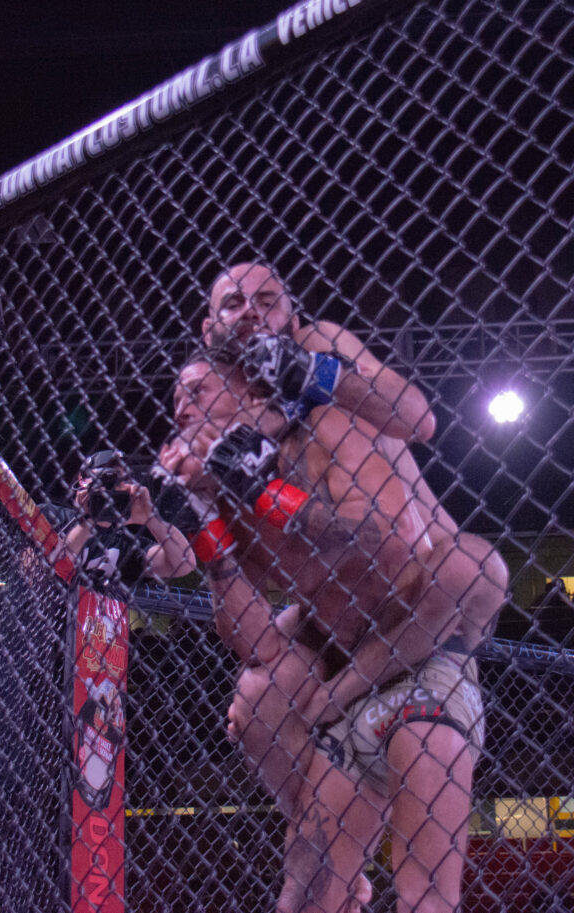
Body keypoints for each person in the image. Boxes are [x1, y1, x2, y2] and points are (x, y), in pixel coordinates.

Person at [161, 291, 508, 912]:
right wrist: (205, 526)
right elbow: (254, 641)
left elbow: (383, 542)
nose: (183, 409)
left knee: (472, 565)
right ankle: (339, 858)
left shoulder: (331, 405)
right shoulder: (221, 474)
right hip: (341, 672)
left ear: (249, 388)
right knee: (259, 699)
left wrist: (268, 490)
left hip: (416, 650)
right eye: (178, 398)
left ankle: (344, 699)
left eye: (199, 392)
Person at [51, 448, 196, 587]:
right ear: (83, 479)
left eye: (124, 479)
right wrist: (86, 522)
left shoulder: (124, 543)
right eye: (107, 476)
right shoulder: (52, 514)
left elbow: (184, 564)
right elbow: (47, 567)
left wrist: (152, 518)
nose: (115, 485)